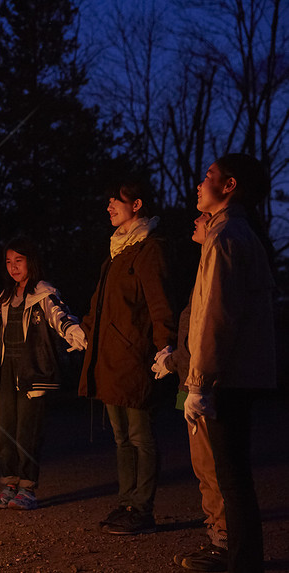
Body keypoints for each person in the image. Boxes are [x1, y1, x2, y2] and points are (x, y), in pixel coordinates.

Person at [180, 154, 276, 573]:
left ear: (229, 184)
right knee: (234, 475)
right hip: (239, 373)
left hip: (228, 377)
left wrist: (198, 383)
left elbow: (215, 315)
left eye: (209, 176)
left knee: (231, 477)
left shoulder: (226, 236)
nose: (201, 183)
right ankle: (242, 557)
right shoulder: (234, 232)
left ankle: (241, 560)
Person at [0, 237, 87, 510]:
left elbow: (59, 316)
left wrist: (73, 331)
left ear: (31, 262)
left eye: (19, 261)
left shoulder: (43, 293)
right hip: (6, 373)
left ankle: (28, 490)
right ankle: (9, 486)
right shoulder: (4, 298)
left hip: (33, 373)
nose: (14, 267)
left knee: (28, 432)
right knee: (6, 432)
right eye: (9, 262)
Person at [79, 180, 176, 535]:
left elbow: (159, 302)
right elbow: (100, 305)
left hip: (134, 357)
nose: (108, 207)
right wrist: (83, 331)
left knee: (140, 435)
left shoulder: (149, 249)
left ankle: (142, 507)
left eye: (115, 201)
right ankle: (126, 502)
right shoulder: (116, 252)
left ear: (136, 205)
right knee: (120, 437)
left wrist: (166, 345)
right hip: (108, 358)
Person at [153, 212, 230, 571]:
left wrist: (177, 364)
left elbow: (206, 329)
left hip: (204, 384)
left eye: (204, 217)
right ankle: (219, 535)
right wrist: (175, 360)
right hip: (192, 381)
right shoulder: (204, 264)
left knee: (212, 467)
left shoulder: (221, 253)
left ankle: (224, 542)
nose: (196, 221)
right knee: (204, 468)